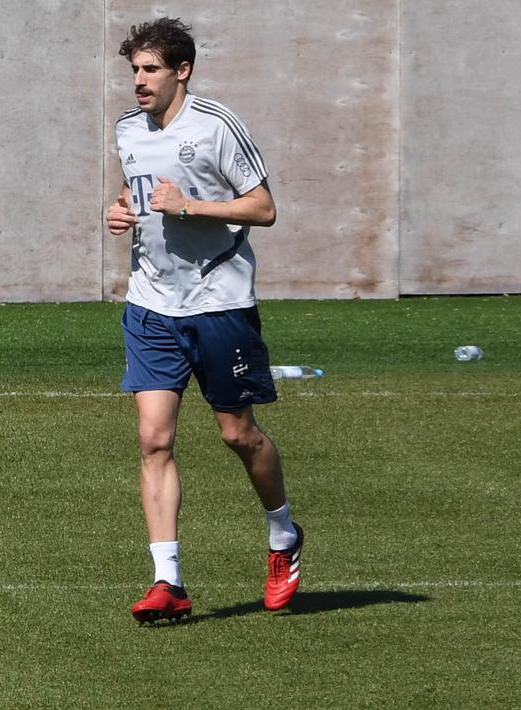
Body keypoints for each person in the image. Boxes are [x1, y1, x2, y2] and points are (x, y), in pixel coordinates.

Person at [105, 17, 303, 623]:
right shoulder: (127, 130)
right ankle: (169, 581)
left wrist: (189, 205)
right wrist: (119, 210)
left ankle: (283, 536)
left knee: (237, 435)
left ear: (181, 71)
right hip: (151, 304)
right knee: (153, 438)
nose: (138, 82)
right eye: (134, 70)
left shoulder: (216, 126)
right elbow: (137, 193)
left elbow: (263, 208)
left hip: (218, 304)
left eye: (150, 69)